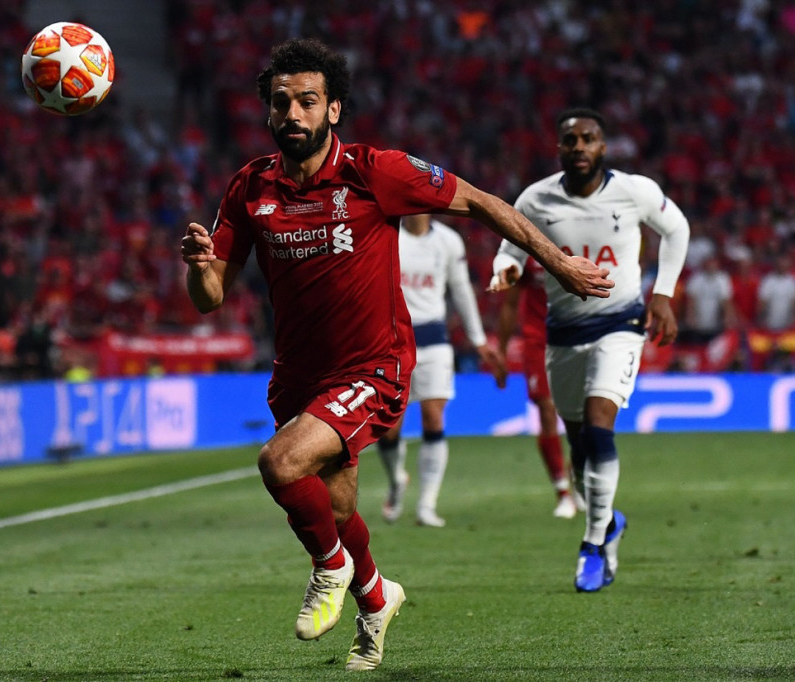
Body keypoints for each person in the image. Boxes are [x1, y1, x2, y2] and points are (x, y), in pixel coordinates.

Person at [181, 40, 613, 670]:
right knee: (337, 509)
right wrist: (199, 267)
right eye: (281, 103)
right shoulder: (251, 185)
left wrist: (561, 263)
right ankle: (377, 598)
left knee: (280, 463)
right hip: (298, 374)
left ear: (333, 109)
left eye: (307, 101)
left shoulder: (374, 171)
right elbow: (209, 298)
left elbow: (483, 202)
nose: (292, 114)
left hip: (372, 366)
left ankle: (330, 569)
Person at [490, 107, 690, 593]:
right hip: (562, 333)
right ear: (559, 148)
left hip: (621, 325)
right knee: (580, 448)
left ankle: (593, 543)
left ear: (603, 146)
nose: (579, 146)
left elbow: (677, 229)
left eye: (588, 138)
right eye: (570, 139)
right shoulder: (535, 199)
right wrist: (506, 271)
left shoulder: (634, 191)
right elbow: (509, 251)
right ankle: (609, 523)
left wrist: (662, 294)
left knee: (600, 428)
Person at [377, 213, 508, 528]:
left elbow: (461, 289)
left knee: (434, 417)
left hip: (434, 339)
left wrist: (478, 340)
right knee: (388, 426)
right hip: (392, 342)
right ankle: (396, 481)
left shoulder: (448, 241)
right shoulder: (386, 236)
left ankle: (427, 505)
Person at [495, 256, 579, 519]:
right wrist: (501, 352)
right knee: (546, 408)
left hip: (576, 337)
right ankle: (562, 491)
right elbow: (510, 304)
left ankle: (578, 478)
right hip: (538, 340)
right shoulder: (523, 253)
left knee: (582, 415)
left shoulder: (579, 244)